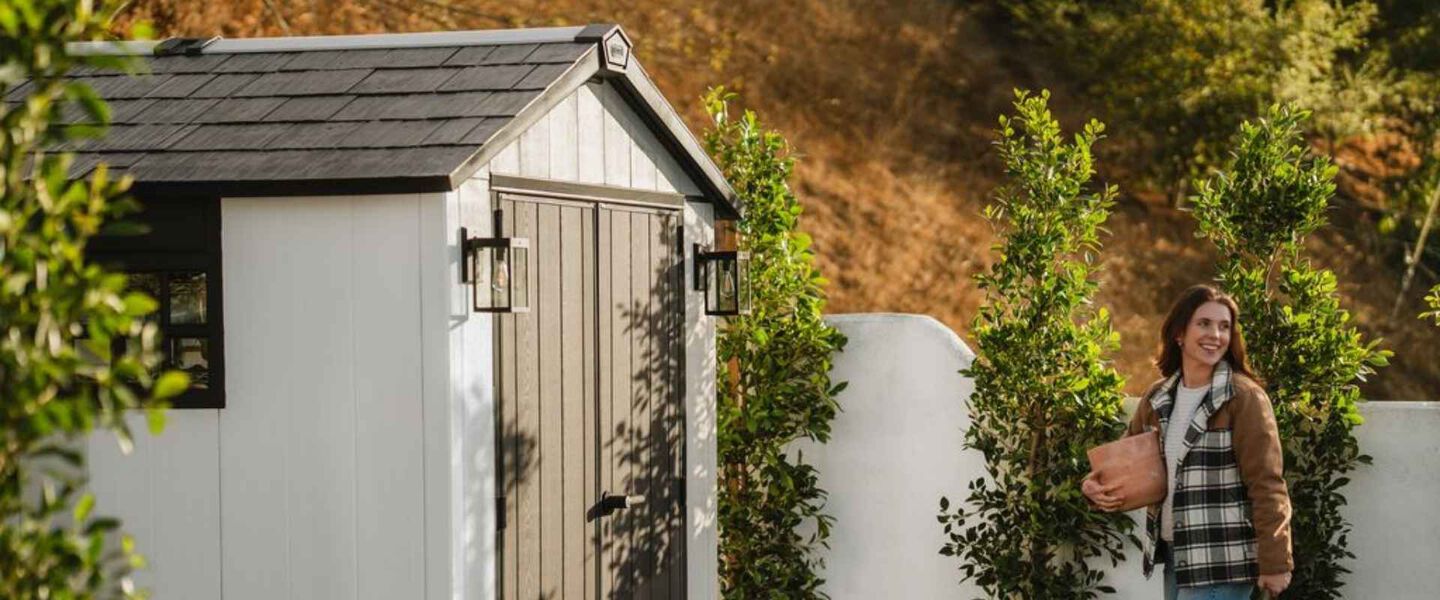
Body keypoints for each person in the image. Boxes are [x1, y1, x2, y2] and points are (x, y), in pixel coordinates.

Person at [1082, 285, 1293, 599]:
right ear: (1180, 332)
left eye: (1224, 326)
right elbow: (1123, 464)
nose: (1216, 334)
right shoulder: (1158, 397)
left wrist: (1276, 562)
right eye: (1204, 323)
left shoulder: (1243, 397)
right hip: (1177, 559)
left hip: (1223, 562)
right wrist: (1092, 485)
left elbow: (1267, 483)